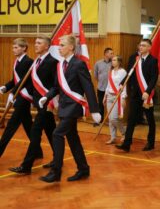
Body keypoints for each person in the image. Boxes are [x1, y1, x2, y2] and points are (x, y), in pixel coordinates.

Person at [39, 35, 101, 183]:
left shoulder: (79, 64)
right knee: (73, 139)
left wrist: (94, 109)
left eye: (62, 45)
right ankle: (83, 169)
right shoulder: (60, 65)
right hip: (64, 107)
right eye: (59, 45)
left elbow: (88, 86)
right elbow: (56, 87)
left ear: (71, 47)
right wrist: (46, 96)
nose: (59, 47)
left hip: (74, 107)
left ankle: (56, 172)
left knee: (57, 134)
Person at [9, 36, 58, 174]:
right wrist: (13, 92)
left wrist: (48, 98)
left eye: (39, 43)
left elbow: (56, 85)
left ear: (47, 46)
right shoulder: (37, 61)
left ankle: (26, 166)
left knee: (35, 132)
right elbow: (28, 82)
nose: (35, 45)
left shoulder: (53, 62)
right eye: (35, 43)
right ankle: (58, 159)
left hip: (47, 104)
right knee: (51, 132)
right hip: (38, 103)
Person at [0, 38, 43, 158]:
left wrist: (12, 93)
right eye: (13, 47)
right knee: (28, 125)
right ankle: (38, 152)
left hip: (24, 96)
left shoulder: (28, 62)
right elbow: (15, 80)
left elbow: (24, 81)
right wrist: (5, 87)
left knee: (10, 126)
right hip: (18, 95)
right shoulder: (17, 61)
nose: (14, 49)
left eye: (17, 47)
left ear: (24, 48)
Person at [116, 39, 158, 152]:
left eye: (144, 45)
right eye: (140, 45)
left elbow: (154, 78)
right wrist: (122, 83)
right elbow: (130, 73)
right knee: (131, 119)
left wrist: (148, 91)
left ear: (149, 47)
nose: (141, 47)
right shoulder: (135, 59)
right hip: (135, 94)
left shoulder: (153, 61)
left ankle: (151, 142)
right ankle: (127, 144)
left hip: (147, 95)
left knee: (150, 120)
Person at [103, 55, 127, 145]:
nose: (112, 62)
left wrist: (124, 97)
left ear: (119, 62)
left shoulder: (123, 72)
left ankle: (124, 132)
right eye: (112, 60)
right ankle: (113, 137)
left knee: (114, 118)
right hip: (109, 95)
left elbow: (124, 86)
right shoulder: (111, 71)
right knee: (110, 118)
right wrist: (105, 96)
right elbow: (108, 84)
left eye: (114, 60)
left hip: (118, 96)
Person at [94, 47, 114, 125]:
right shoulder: (98, 63)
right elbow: (95, 75)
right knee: (100, 105)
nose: (112, 55)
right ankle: (100, 121)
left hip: (111, 89)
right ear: (106, 54)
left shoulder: (113, 63)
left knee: (111, 105)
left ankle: (111, 122)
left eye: (113, 53)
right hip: (101, 88)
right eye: (111, 53)